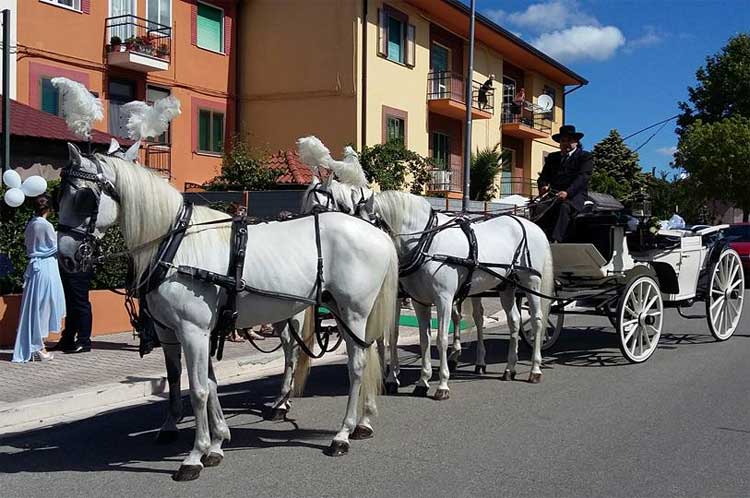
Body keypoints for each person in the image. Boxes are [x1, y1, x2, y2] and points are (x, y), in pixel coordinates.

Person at [12, 195, 66, 363]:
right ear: (49, 209)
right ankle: (38, 346)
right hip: (47, 267)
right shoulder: (45, 225)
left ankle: (36, 344)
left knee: (36, 306)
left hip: (36, 268)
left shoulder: (31, 224)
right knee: (44, 306)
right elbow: (54, 246)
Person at [536, 124, 594, 243]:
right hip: (553, 195)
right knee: (539, 208)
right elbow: (543, 176)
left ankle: (556, 240)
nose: (565, 144)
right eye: (563, 141)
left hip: (574, 195)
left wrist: (567, 192)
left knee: (564, 207)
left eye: (569, 140)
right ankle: (537, 238)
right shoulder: (553, 157)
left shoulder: (585, 156)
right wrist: (543, 186)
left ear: (576, 142)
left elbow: (583, 178)